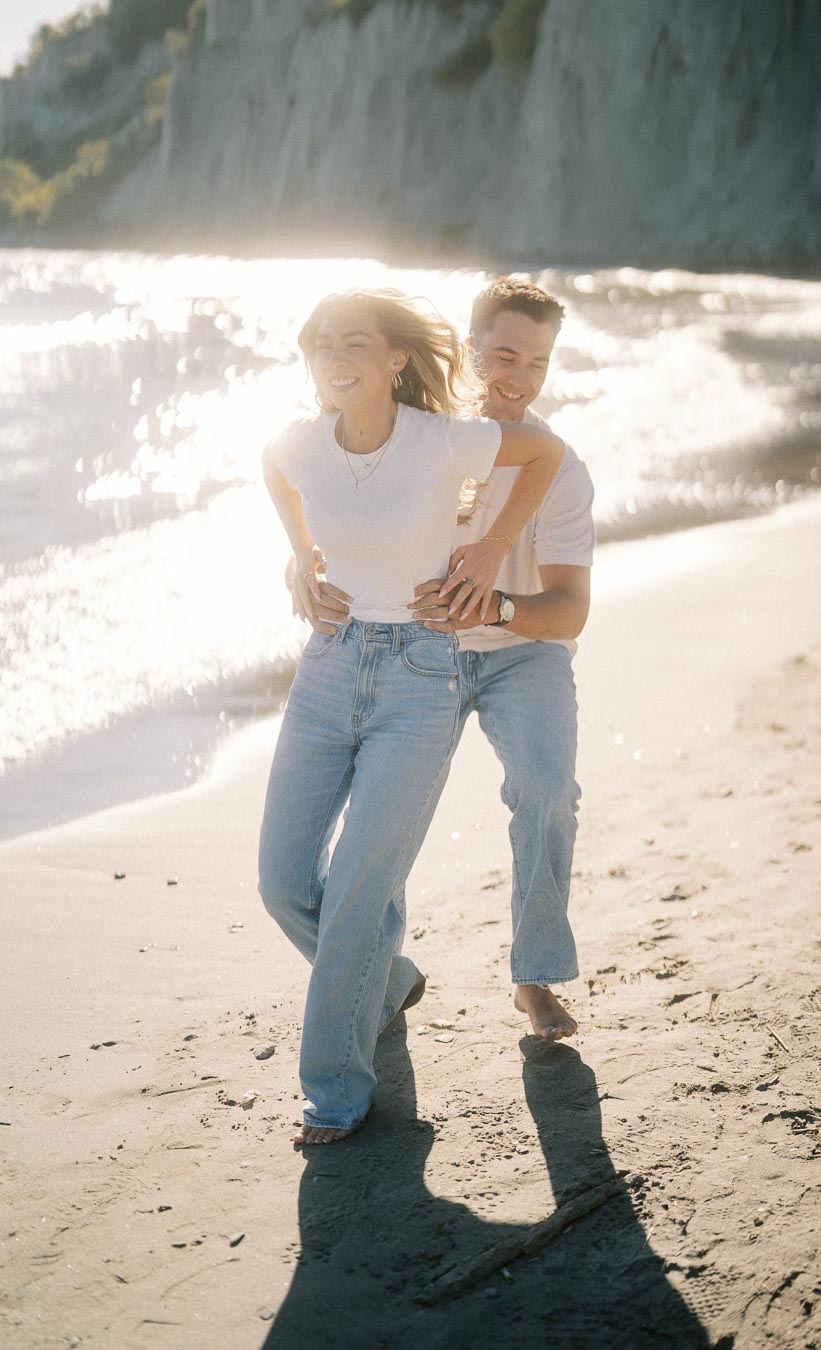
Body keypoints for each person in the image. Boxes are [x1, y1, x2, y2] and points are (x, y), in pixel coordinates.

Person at [259, 288, 564, 1145]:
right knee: (282, 882)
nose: (335, 355)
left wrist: (490, 547)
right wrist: (300, 553)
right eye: (322, 343)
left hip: (423, 674)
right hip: (327, 666)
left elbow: (544, 452)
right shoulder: (302, 442)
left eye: (356, 341)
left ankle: (334, 1091)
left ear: (396, 359)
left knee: (359, 884)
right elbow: (271, 467)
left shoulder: (442, 441)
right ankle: (385, 978)